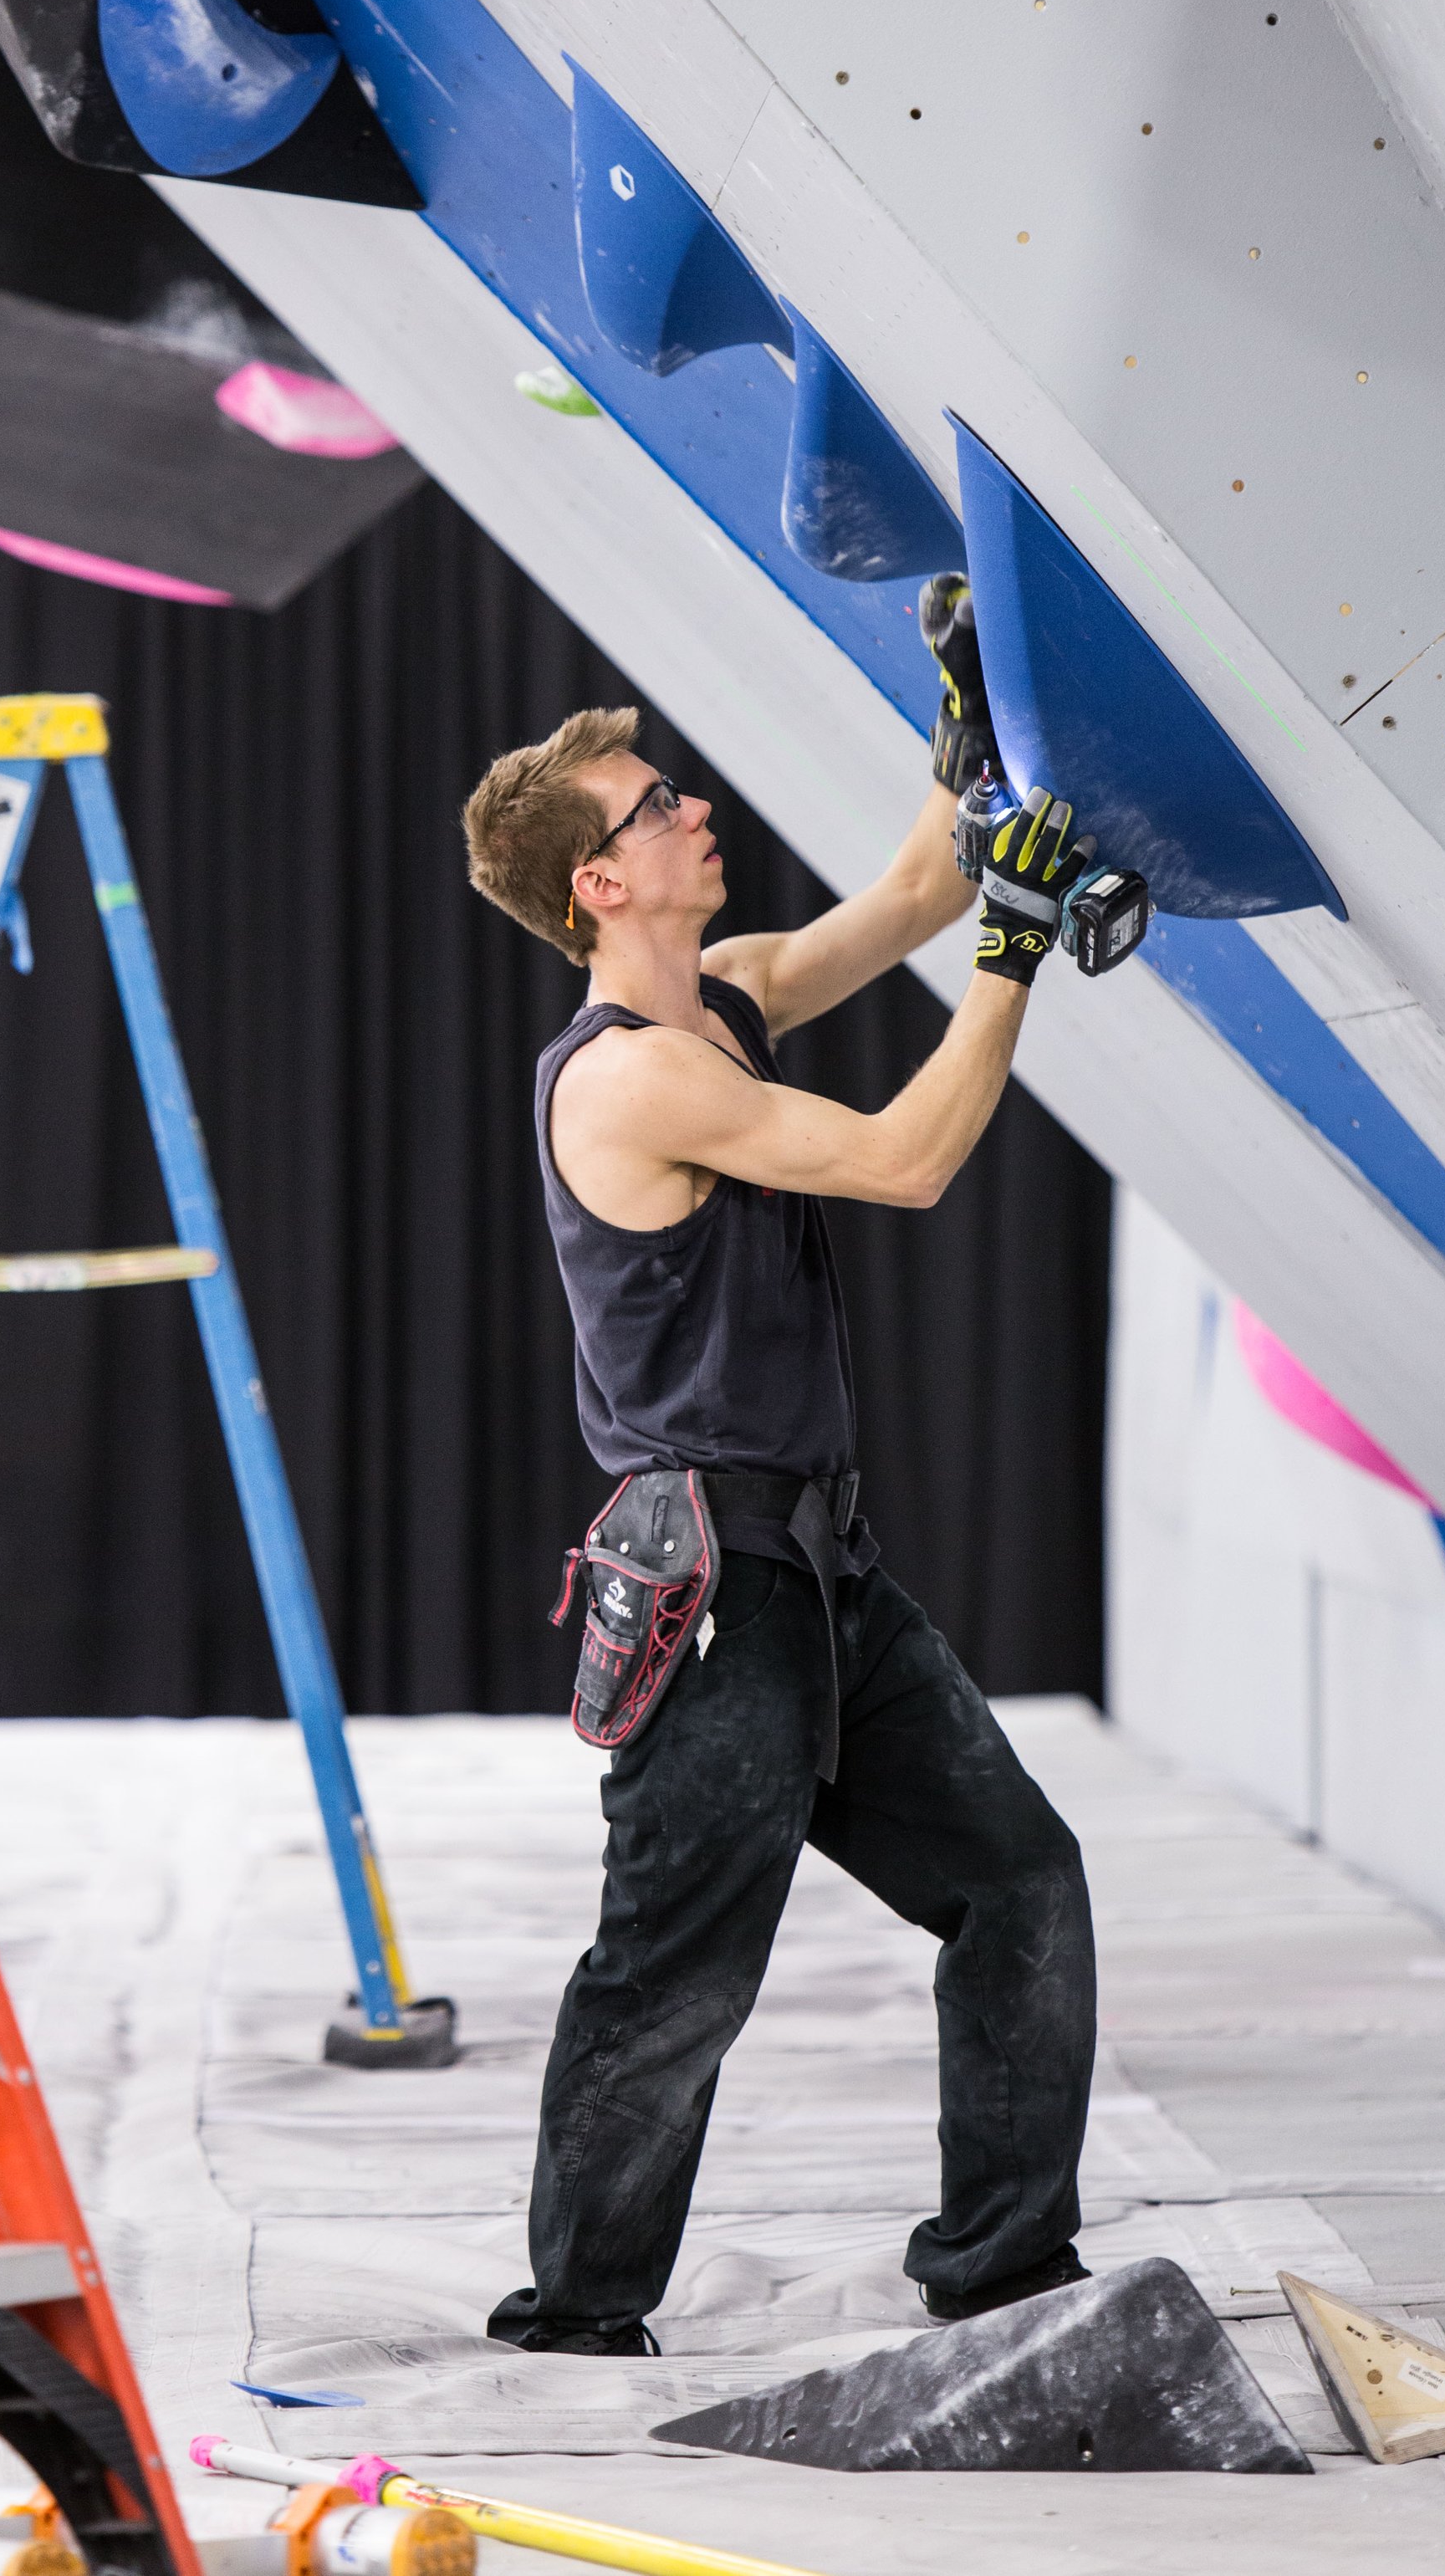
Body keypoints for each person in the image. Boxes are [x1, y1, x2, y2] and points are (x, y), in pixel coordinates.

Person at [459, 583, 1100, 2354]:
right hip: (711, 1588)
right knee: (671, 1972)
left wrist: (969, 730)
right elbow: (901, 1161)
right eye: (652, 809)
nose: (687, 811)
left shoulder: (723, 1000)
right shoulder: (622, 1084)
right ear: (598, 884)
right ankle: (576, 2315)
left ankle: (1001, 2268)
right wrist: (1016, 950)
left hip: (816, 1568)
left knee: (1016, 1878)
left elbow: (907, 893)